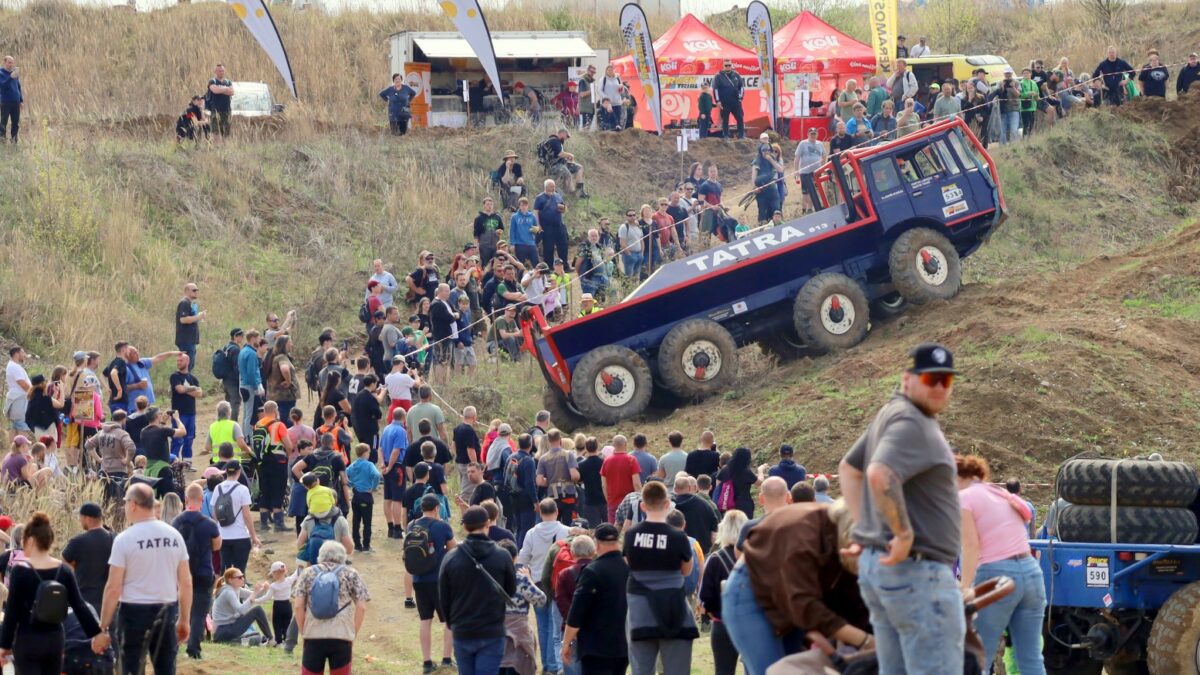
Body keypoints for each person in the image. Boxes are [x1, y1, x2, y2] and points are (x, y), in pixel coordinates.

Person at [839, 343, 963, 675]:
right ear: (908, 379)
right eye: (930, 378)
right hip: (916, 573)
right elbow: (879, 474)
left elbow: (850, 469)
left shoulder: (893, 412)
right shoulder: (912, 421)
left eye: (946, 381)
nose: (938, 387)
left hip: (888, 570)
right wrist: (902, 533)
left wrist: (867, 530)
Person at [724, 499, 872, 675]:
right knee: (770, 671)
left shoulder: (838, 538)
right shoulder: (805, 531)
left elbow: (852, 603)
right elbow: (803, 602)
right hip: (750, 590)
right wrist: (865, 640)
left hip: (792, 596)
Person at [93, 483, 192, 674]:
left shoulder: (125, 539)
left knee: (131, 668)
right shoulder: (174, 535)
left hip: (133, 611)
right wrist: (185, 619)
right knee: (166, 669)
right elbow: (186, 582)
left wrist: (103, 627)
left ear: (133, 505)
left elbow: (113, 587)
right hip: (166, 609)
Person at [957, 455, 1043, 674]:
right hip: (1032, 574)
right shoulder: (1001, 493)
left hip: (997, 574)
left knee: (979, 656)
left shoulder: (964, 498)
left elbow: (970, 545)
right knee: (1031, 658)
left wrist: (966, 587)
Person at [0, 512, 101, 673]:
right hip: (55, 640)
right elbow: (80, 606)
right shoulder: (63, 571)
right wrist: (97, 634)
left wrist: (5, 646)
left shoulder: (20, 571)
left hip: (28, 640)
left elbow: (12, 612)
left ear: (31, 541)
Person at [624, 482, 698, 675]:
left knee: (641, 669)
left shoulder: (631, 535)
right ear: (667, 504)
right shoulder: (678, 537)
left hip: (640, 611)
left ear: (642, 505)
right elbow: (686, 570)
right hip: (673, 609)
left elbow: (628, 564)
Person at [439, 506, 517, 675]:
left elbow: (444, 597)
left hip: (462, 628)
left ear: (465, 526)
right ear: (488, 523)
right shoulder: (502, 556)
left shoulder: (451, 558)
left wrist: (452, 623)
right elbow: (510, 591)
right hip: (492, 629)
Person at [292, 540, 370, 675]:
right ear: (343, 556)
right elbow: (362, 607)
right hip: (341, 635)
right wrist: (352, 633)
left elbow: (298, 605)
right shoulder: (350, 573)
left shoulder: (308, 573)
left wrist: (303, 631)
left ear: (320, 555)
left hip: (313, 634)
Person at [562, 523, 628, 674]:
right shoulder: (628, 569)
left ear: (596, 544)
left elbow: (577, 611)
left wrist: (566, 643)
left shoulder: (592, 571)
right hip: (623, 644)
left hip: (596, 646)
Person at [519, 499, 570, 673]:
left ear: (540, 513)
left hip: (538, 581)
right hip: (559, 583)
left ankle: (547, 664)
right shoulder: (567, 531)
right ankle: (555, 664)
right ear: (557, 511)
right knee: (556, 626)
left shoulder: (531, 533)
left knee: (542, 625)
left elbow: (523, 558)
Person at [173, 482, 222, 660]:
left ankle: (175, 643)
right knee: (200, 612)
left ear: (186, 499)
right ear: (202, 500)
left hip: (182, 572)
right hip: (203, 571)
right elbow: (217, 546)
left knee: (180, 608)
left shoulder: (176, 521)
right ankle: (193, 648)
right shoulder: (208, 524)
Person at [408, 494, 457, 673]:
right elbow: (453, 550)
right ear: (437, 508)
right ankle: (446, 658)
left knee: (425, 620)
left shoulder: (411, 525)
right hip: (439, 580)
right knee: (450, 620)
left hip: (419, 579)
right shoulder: (442, 526)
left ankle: (427, 662)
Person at [698, 509, 746, 675]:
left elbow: (705, 596)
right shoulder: (756, 556)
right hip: (751, 621)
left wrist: (712, 614)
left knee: (723, 670)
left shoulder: (715, 559)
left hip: (722, 621)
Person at [61, 502, 114, 611]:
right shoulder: (115, 539)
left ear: (87, 518)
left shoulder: (78, 541)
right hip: (109, 601)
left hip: (84, 600)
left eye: (80, 517)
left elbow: (64, 565)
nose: (79, 520)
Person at [211, 460, 261, 573]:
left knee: (225, 571)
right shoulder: (242, 489)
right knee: (239, 571)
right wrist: (253, 536)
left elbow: (215, 515)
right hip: (240, 536)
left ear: (226, 472)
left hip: (223, 536)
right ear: (239, 472)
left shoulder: (217, 488)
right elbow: (247, 515)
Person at [211, 567, 273, 645]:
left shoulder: (236, 589)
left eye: (243, 576)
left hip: (227, 629)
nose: (243, 579)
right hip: (224, 630)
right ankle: (271, 640)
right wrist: (254, 593)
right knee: (257, 610)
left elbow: (254, 595)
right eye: (239, 577)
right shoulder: (228, 592)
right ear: (230, 580)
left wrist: (263, 589)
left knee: (257, 636)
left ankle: (237, 641)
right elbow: (241, 610)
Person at [347, 443, 382, 552]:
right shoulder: (369, 464)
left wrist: (351, 484)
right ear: (365, 453)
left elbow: (344, 475)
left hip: (356, 496)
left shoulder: (353, 465)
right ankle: (366, 546)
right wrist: (373, 487)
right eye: (368, 452)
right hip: (366, 496)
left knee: (355, 521)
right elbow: (376, 475)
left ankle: (357, 545)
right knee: (367, 522)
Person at [601, 434, 642, 524]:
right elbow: (636, 483)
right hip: (630, 502)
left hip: (613, 501)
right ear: (625, 444)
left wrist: (608, 500)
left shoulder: (606, 461)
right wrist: (640, 498)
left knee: (612, 530)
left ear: (614, 445)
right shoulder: (631, 460)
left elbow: (604, 485)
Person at [672, 475, 718, 550]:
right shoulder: (705, 505)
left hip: (676, 549)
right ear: (690, 488)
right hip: (701, 549)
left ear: (675, 489)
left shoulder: (670, 506)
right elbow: (714, 531)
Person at [543, 127, 588, 198]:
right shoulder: (554, 141)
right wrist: (570, 155)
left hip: (562, 163)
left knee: (579, 168)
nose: (566, 138)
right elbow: (559, 154)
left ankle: (580, 191)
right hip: (554, 165)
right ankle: (572, 193)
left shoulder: (558, 142)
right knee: (567, 174)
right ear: (562, 134)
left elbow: (558, 155)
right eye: (566, 136)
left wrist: (567, 159)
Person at [715, 446, 759, 518]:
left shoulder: (724, 470)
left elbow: (718, 487)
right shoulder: (746, 471)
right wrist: (760, 471)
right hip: (744, 505)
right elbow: (759, 483)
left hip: (727, 505)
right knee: (745, 527)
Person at [712, 59, 745, 139]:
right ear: (723, 66)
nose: (728, 67)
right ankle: (726, 135)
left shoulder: (736, 74)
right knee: (725, 119)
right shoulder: (718, 76)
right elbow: (715, 89)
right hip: (724, 102)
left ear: (731, 65)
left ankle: (741, 135)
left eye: (729, 65)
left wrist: (740, 97)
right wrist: (718, 101)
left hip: (735, 101)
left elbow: (742, 87)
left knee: (740, 118)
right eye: (726, 65)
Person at [5, 345, 31, 431]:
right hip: (19, 401)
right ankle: (23, 445)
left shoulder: (12, 365)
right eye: (23, 352)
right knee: (22, 428)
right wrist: (34, 392)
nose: (25, 355)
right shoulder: (14, 367)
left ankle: (13, 444)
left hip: (16, 400)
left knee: (14, 427)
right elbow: (22, 383)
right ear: (17, 354)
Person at [206, 64, 234, 143]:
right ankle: (217, 149)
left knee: (226, 132)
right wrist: (225, 89)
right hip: (215, 111)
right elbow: (215, 90)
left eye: (222, 71)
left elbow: (232, 92)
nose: (221, 72)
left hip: (227, 110)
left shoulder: (228, 82)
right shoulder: (212, 81)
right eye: (219, 71)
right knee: (216, 132)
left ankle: (224, 149)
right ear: (215, 72)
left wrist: (221, 89)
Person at [0, 55, 24, 143]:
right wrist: (10, 77)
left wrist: (21, 100)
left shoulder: (15, 73)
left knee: (15, 123)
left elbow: (18, 87)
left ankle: (14, 140)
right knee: (3, 122)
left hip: (16, 102)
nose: (11, 64)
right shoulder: (1, 73)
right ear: (5, 62)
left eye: (12, 63)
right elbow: (2, 86)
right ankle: (2, 140)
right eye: (9, 62)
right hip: (5, 102)